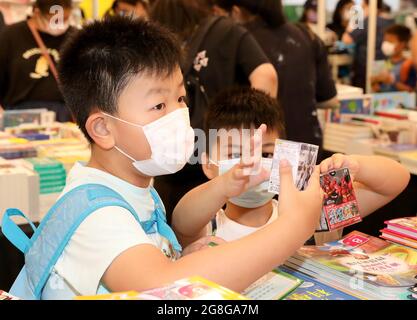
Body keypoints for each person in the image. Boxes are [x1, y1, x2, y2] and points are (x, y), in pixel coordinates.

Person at [8, 17, 325, 298]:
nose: (179, 115)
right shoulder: (94, 213)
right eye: (159, 106)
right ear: (103, 128)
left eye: (180, 98)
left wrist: (183, 254)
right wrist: (294, 226)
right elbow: (164, 288)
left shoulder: (136, 188)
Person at [172, 87, 410, 245]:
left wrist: (357, 165)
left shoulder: (313, 215)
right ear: (209, 165)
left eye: (266, 152)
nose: (251, 163)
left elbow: (395, 182)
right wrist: (224, 185)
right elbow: (182, 220)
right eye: (235, 153)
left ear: (286, 156)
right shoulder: (205, 228)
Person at [150, 0, 278, 222]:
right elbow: (266, 75)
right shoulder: (226, 30)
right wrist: (250, 129)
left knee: (183, 232)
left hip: (179, 163)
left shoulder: (162, 48)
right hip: (221, 158)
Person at [211, 0, 337, 151]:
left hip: (265, 152)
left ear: (236, 11)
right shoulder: (306, 34)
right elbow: (330, 100)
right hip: (308, 151)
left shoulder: (237, 40)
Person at [0, 0, 74, 121]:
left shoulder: (75, 38)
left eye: (64, 20)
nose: (59, 25)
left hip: (65, 117)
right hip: (18, 116)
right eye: (53, 20)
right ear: (36, 12)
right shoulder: (10, 36)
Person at [341, 0, 394, 90]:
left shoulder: (367, 21)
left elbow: (346, 39)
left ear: (367, 6)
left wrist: (356, 18)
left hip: (364, 66)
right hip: (384, 65)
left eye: (362, 6)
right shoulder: (389, 21)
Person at [371, 24, 416, 92]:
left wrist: (392, 81)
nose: (386, 44)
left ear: (402, 44)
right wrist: (374, 82)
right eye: (385, 41)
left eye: (391, 41)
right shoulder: (384, 63)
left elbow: (411, 91)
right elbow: (377, 89)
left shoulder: (409, 65)